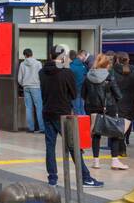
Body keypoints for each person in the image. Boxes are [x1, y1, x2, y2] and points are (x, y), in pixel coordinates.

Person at [39, 45, 103, 188]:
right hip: (63, 114)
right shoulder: (67, 73)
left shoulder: (41, 72)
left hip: (47, 112)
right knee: (74, 146)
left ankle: (52, 178)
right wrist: (66, 68)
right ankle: (85, 177)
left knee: (50, 146)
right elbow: (74, 94)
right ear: (62, 56)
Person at [84, 52, 127, 170]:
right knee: (114, 133)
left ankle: (96, 161)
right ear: (107, 65)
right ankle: (114, 161)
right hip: (109, 108)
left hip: (93, 109)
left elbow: (83, 94)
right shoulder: (109, 77)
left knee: (96, 134)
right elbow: (118, 95)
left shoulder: (88, 76)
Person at [111, 52, 134, 159]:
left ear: (117, 60)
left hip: (117, 102)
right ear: (128, 59)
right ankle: (123, 145)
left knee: (118, 125)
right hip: (130, 102)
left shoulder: (113, 70)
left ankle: (121, 147)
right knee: (126, 125)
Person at [17, 48, 43, 133]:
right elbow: (41, 76)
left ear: (25, 55)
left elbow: (19, 78)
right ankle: (42, 128)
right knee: (39, 107)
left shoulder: (22, 64)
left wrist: (24, 84)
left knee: (28, 108)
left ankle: (30, 128)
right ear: (32, 54)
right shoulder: (38, 63)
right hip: (36, 87)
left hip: (26, 87)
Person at [69, 50, 89, 116]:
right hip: (82, 90)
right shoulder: (84, 66)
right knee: (82, 109)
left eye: (85, 55)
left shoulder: (71, 66)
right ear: (78, 55)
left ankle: (78, 125)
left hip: (74, 91)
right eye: (83, 55)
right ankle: (84, 125)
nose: (84, 57)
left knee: (76, 109)